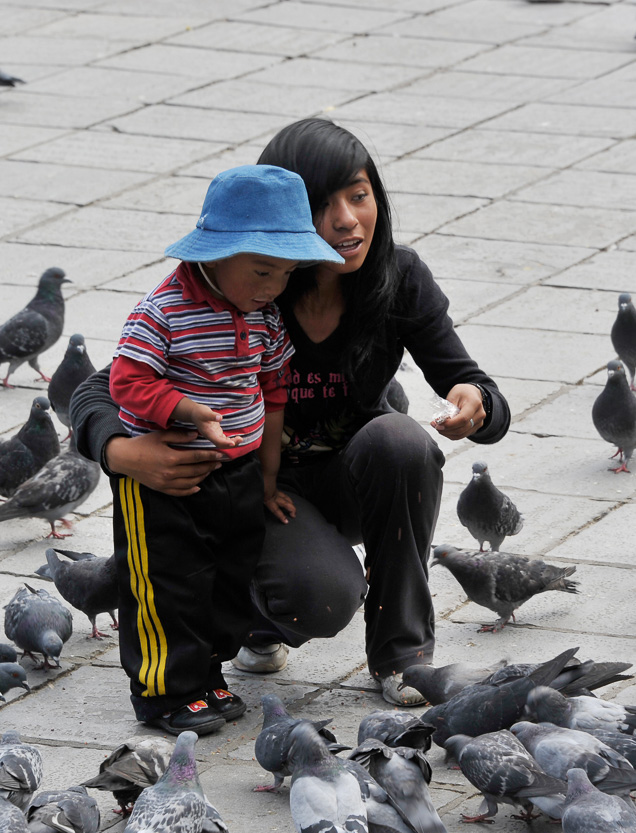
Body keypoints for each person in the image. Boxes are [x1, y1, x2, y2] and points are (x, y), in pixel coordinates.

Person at [71, 118, 510, 708]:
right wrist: (122, 453)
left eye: (359, 195)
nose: (347, 219)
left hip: (347, 480)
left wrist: (476, 404)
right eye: (322, 204)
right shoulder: (241, 288)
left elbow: (475, 383)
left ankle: (402, 656)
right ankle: (252, 621)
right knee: (322, 598)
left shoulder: (399, 279)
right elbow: (102, 389)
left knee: (402, 440)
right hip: (251, 490)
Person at [102, 164, 344, 736]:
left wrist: (267, 476)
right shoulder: (162, 311)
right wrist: (189, 411)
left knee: (225, 576)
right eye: (261, 270)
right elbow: (127, 383)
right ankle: (164, 690)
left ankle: (207, 674)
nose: (272, 287)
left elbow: (274, 385)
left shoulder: (261, 316)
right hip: (165, 479)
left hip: (235, 471)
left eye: (285, 274)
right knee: (168, 582)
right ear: (214, 253)